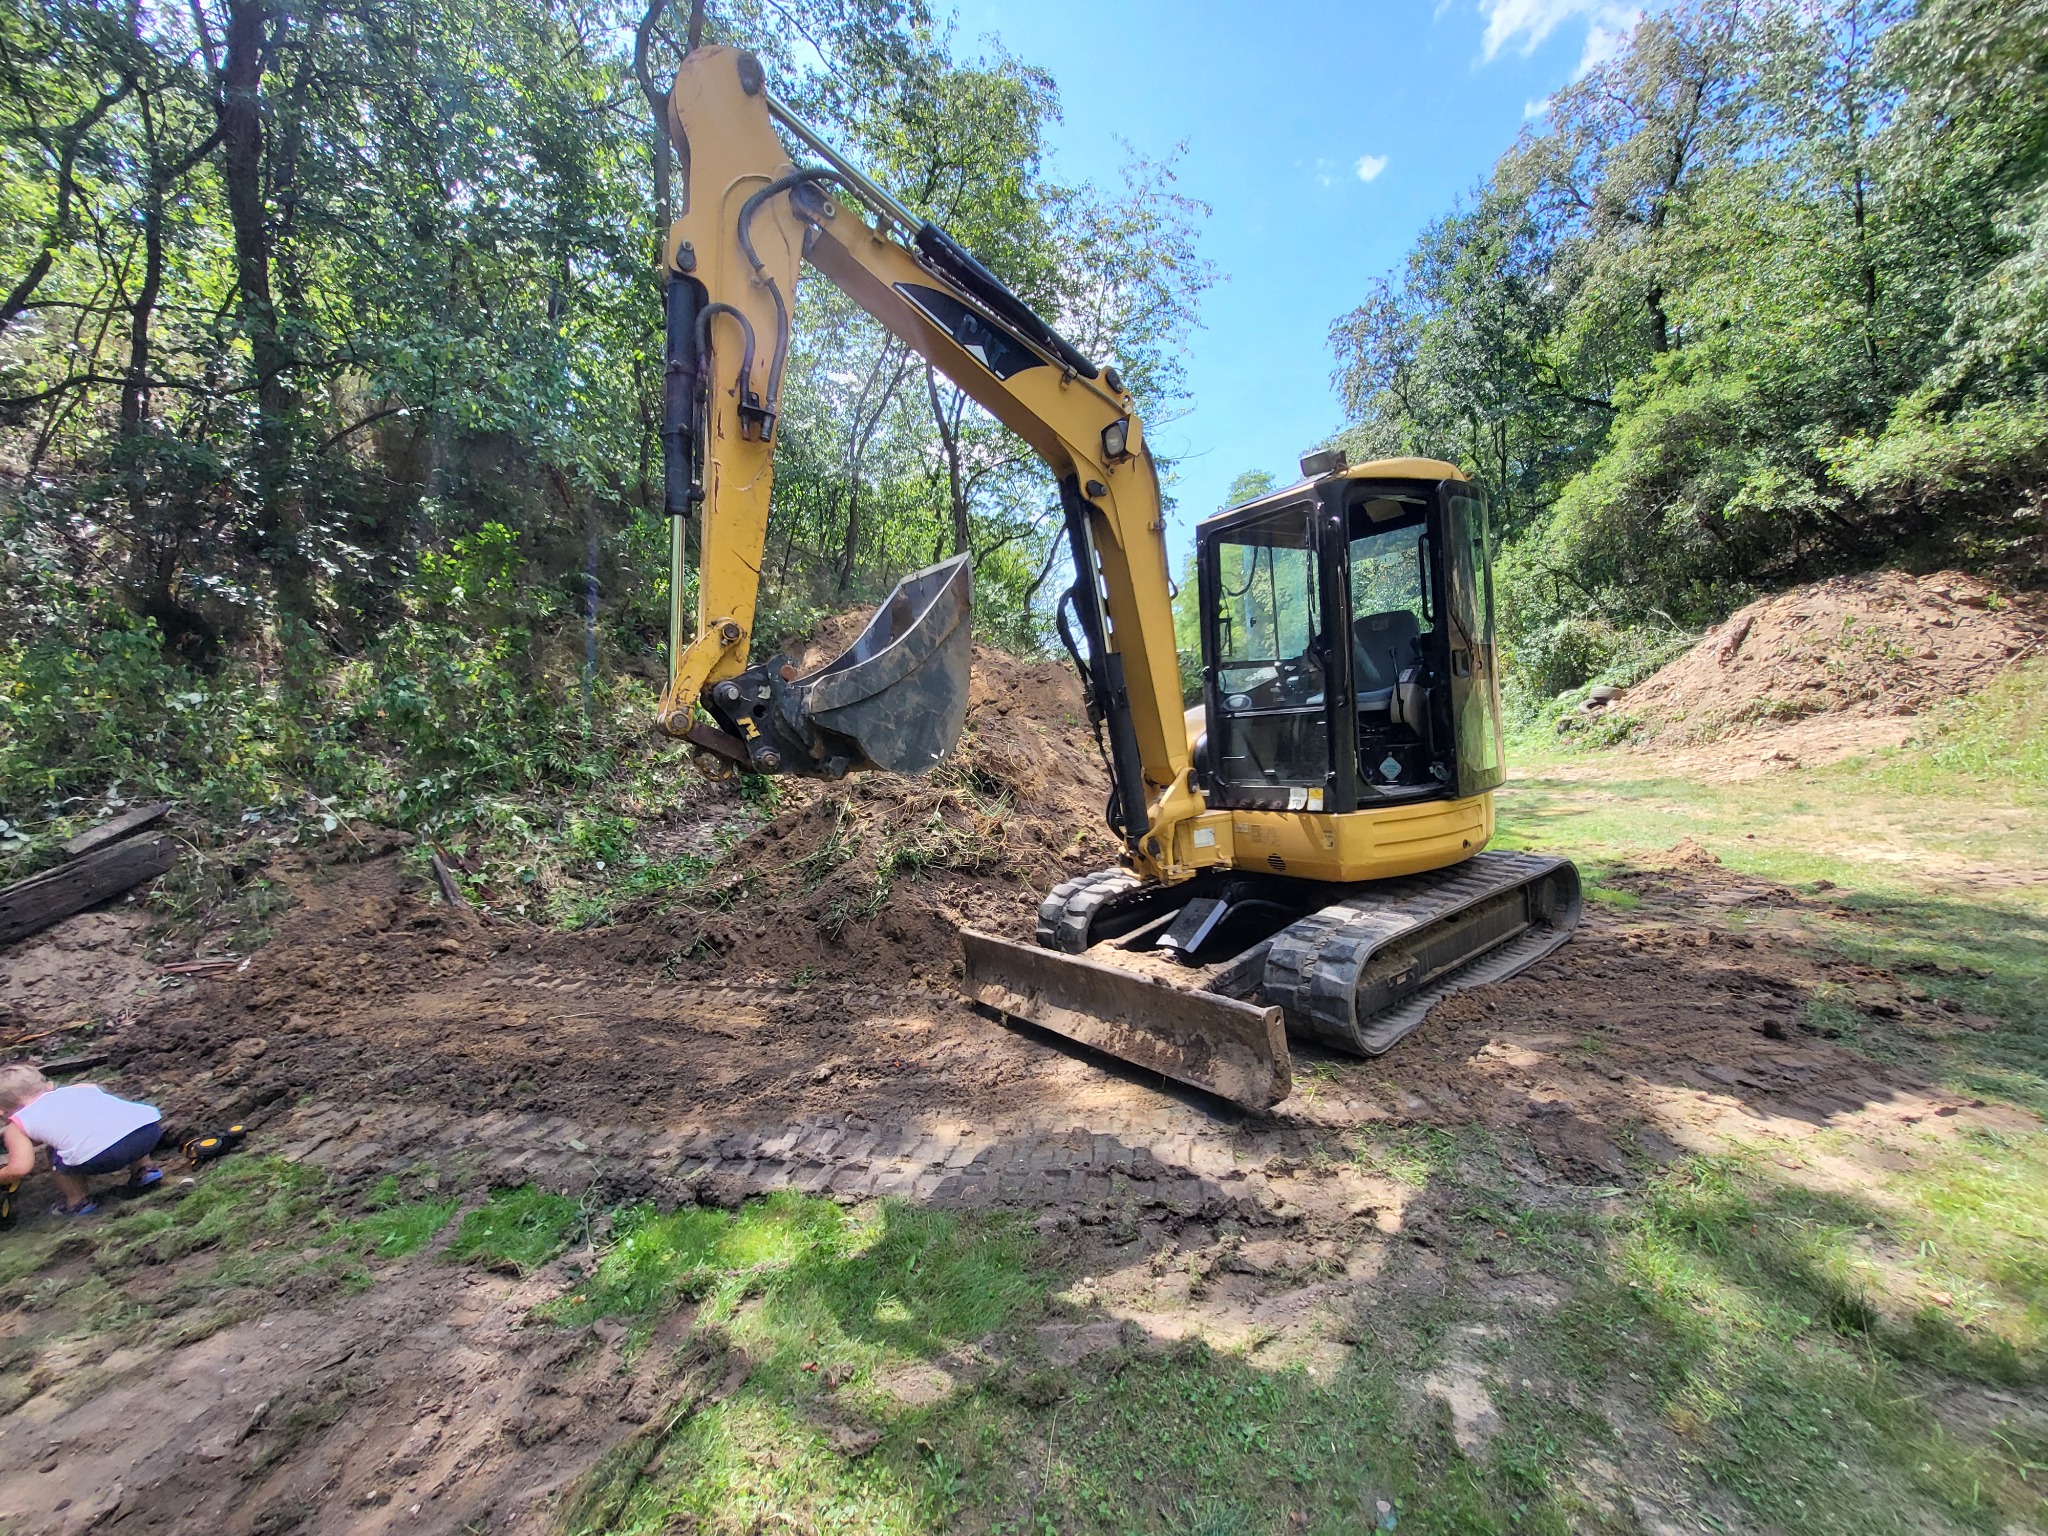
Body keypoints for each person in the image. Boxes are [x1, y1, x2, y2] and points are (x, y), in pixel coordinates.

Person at [0, 1065, 164, 1217]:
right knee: (117, 1121)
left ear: (2, 1112)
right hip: (148, 1131)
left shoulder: (16, 1126)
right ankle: (145, 1170)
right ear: (49, 1085)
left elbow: (19, 1169)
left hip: (102, 1157)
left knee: (53, 1151)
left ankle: (77, 1202)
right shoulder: (82, 1088)